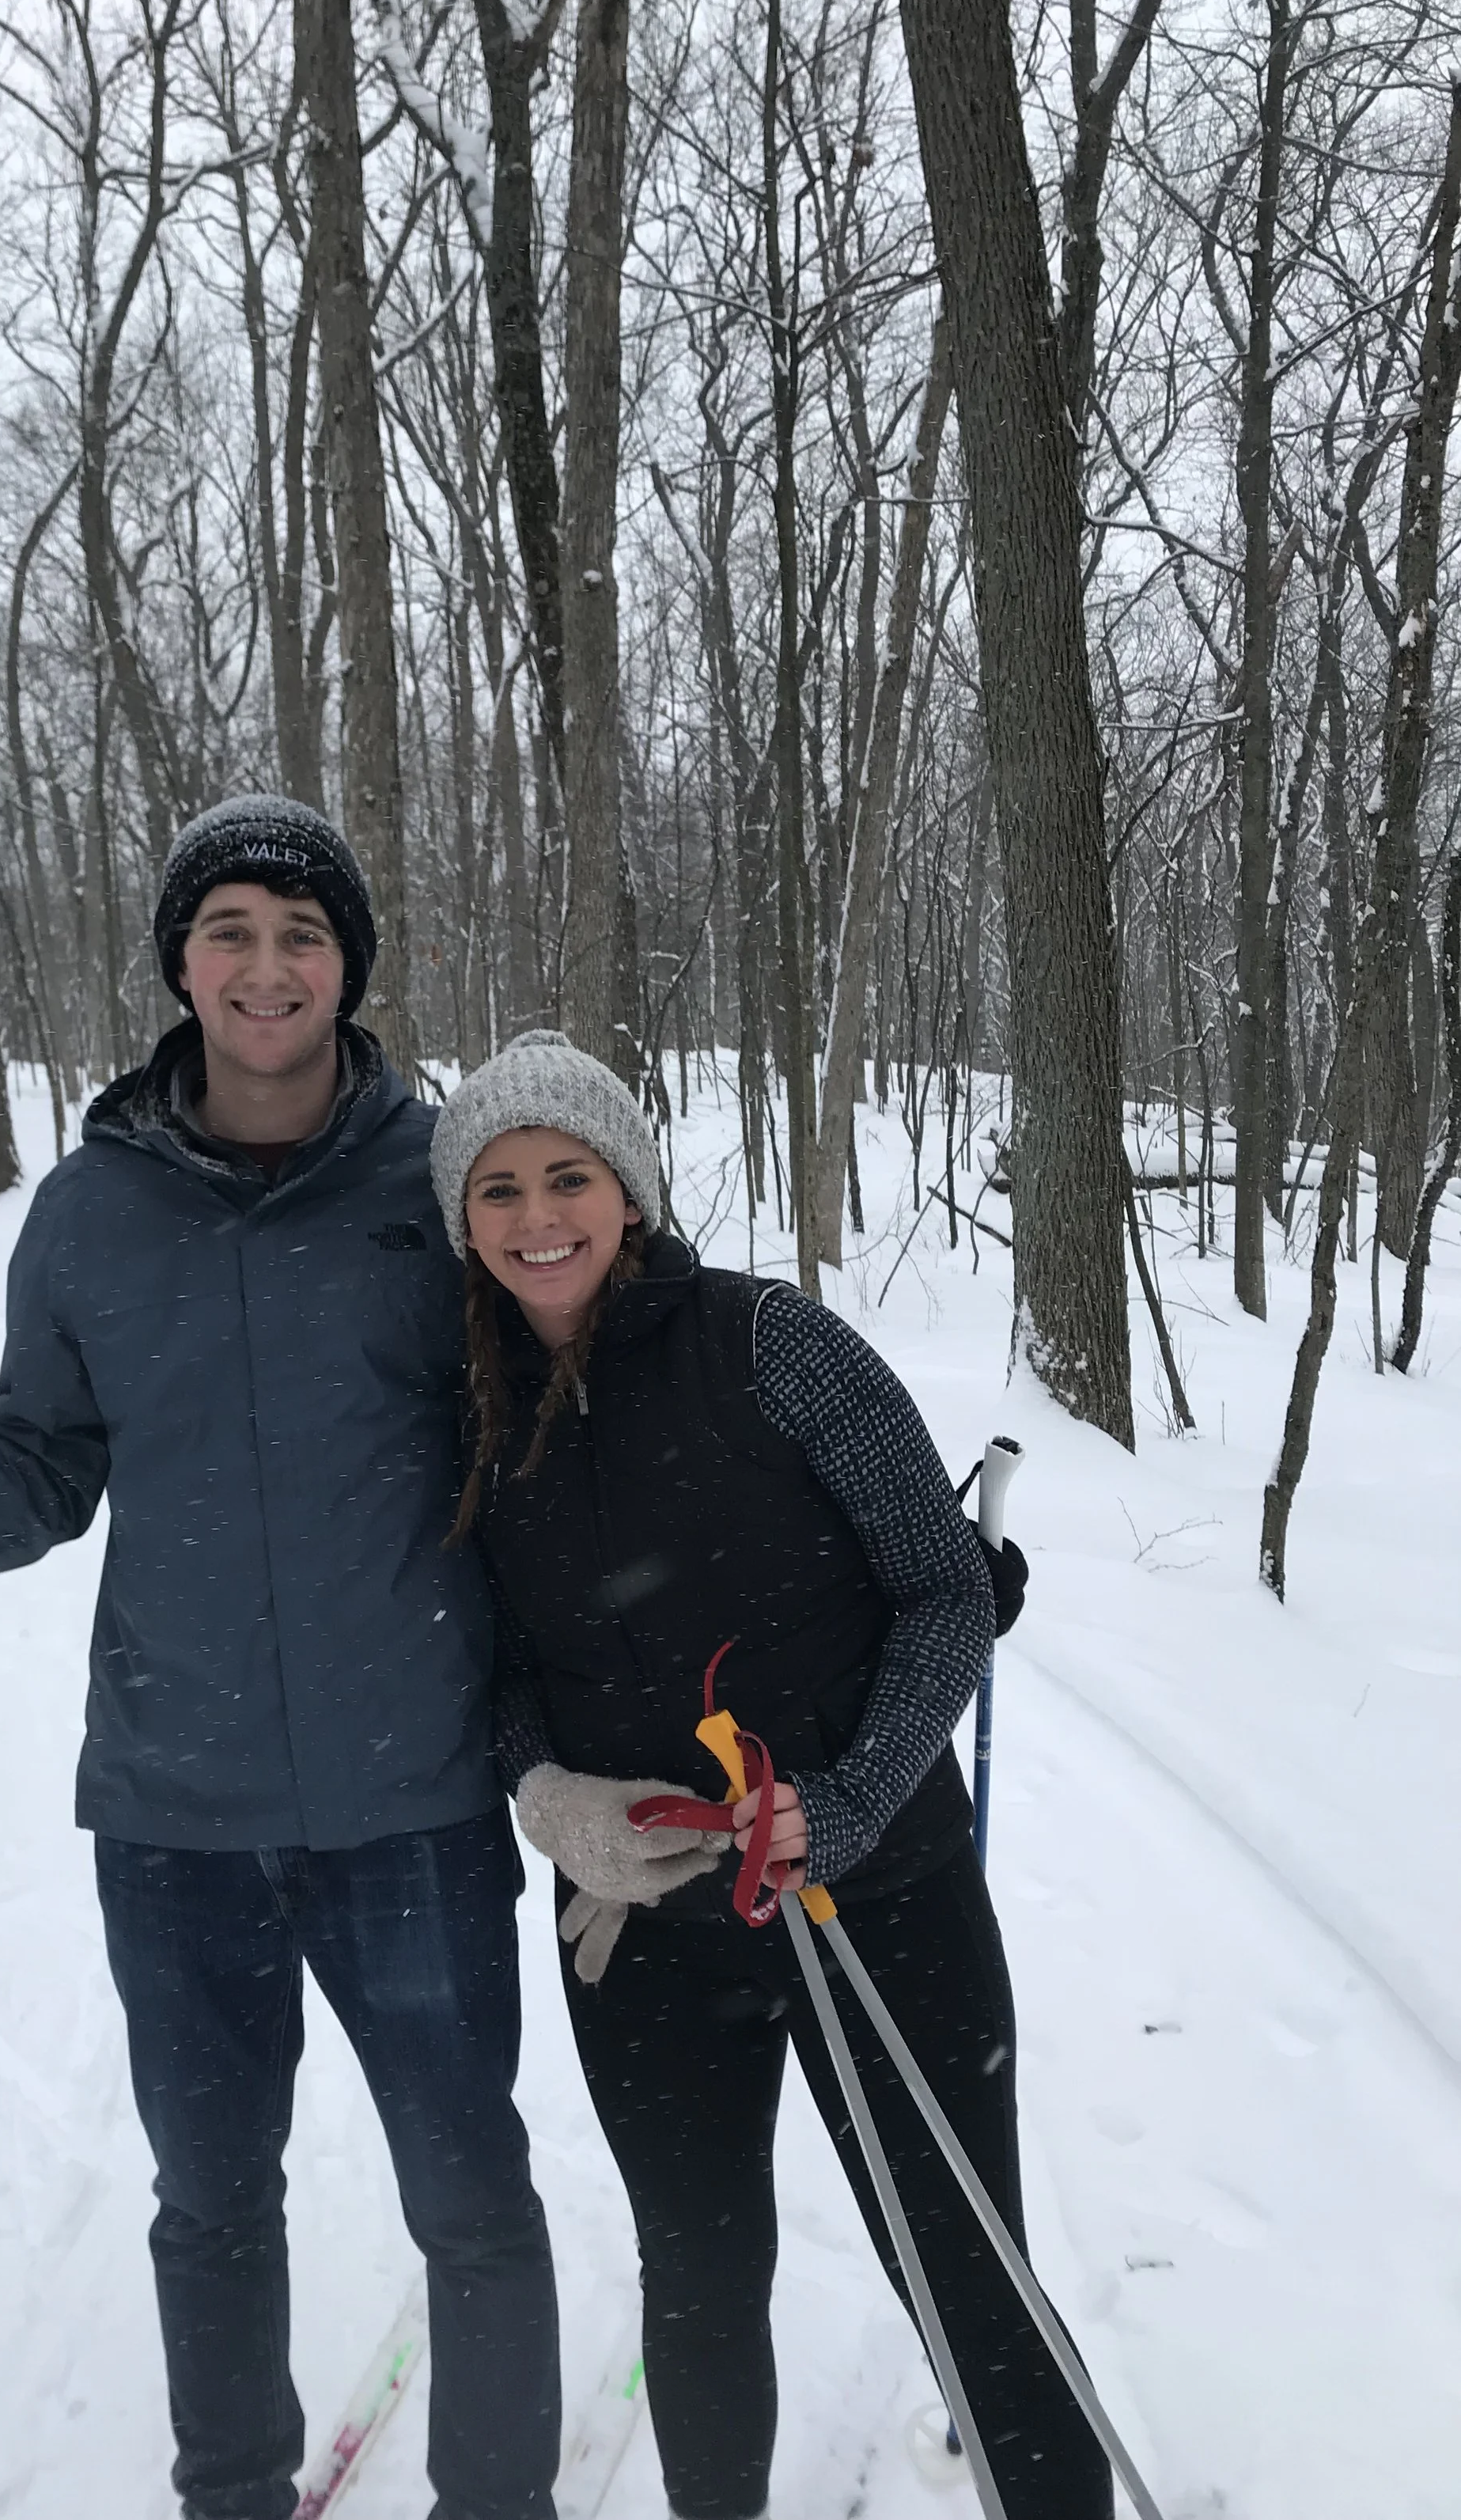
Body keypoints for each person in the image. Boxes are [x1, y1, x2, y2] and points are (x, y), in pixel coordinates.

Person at [0, 796, 562, 2520]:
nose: (268, 962)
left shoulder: (439, 1179)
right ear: (179, 962)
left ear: (349, 964)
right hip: (176, 1814)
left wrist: (840, 1530)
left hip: (410, 1806)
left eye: (303, 930)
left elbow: (575, 1397)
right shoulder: (87, 1214)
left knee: (471, 2192)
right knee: (210, 2200)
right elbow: (28, 1478)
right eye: (230, 926)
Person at [430, 1029, 1113, 2520]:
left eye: (571, 1175)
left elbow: (947, 1596)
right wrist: (549, 1797)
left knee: (966, 2271)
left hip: (884, 1906)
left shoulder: (770, 1344)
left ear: (631, 1187)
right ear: (460, 1220)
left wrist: (853, 1802)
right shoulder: (462, 1410)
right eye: (498, 1189)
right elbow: (483, 1671)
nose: (539, 1216)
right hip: (644, 1940)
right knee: (696, 2274)